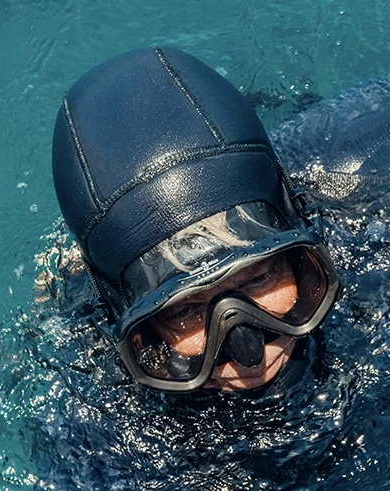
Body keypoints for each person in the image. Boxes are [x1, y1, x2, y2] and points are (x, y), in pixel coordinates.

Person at [52, 46, 340, 392]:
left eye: (260, 277)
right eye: (183, 312)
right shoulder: (92, 400)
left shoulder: (380, 227)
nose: (251, 356)